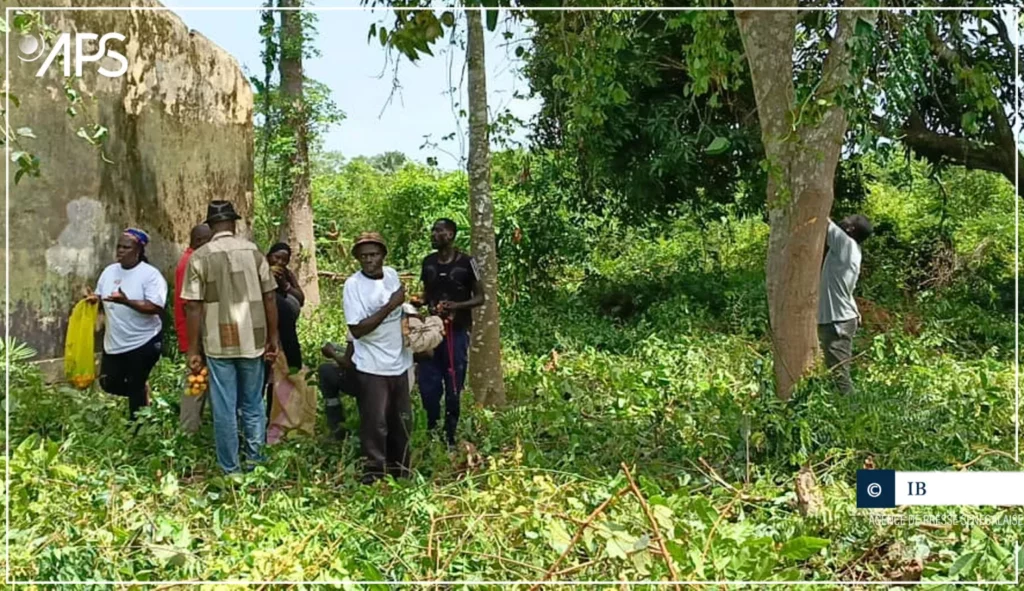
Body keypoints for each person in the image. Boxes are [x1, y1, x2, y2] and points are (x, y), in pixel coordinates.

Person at [181, 200, 279, 474]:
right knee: (252, 404)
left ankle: (230, 468)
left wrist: (193, 349)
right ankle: (256, 462)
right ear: (234, 223)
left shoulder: (200, 256)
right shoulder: (255, 253)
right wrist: (273, 338)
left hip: (217, 343)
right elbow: (270, 297)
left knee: (224, 407)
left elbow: (192, 306)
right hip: (253, 340)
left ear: (211, 226)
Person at [343, 232, 413, 484]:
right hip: (372, 365)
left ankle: (402, 472)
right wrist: (390, 305)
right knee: (375, 424)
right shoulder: (353, 285)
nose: (368, 260)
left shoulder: (392, 275)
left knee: (402, 421)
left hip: (399, 362)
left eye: (373, 255)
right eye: (363, 257)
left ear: (383, 255)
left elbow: (402, 309)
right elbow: (357, 329)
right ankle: (374, 475)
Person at [413, 218, 483, 447]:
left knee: (454, 383)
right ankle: (432, 429)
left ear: (451, 235)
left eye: (439, 230)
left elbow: (480, 297)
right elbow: (427, 293)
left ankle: (450, 436)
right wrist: (419, 301)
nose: (433, 234)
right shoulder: (428, 262)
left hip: (457, 332)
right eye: (433, 230)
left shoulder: (467, 262)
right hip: (431, 332)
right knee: (428, 383)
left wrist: (457, 306)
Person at [88, 228, 168, 424]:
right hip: (115, 341)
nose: (120, 251)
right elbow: (102, 296)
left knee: (134, 386)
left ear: (138, 251)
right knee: (108, 383)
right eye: (119, 246)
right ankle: (143, 393)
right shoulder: (109, 272)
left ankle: (139, 428)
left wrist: (127, 301)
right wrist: (93, 299)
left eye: (126, 247)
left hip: (143, 341)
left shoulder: (150, 276)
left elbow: (155, 307)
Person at [818, 215, 873, 395]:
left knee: (840, 375)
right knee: (836, 371)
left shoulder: (845, 244)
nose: (845, 218)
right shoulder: (852, 249)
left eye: (850, 219)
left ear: (850, 230)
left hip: (837, 321)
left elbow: (820, 216)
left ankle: (851, 414)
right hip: (841, 317)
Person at [175, 223, 212, 434]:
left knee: (198, 384)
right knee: (195, 385)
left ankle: (193, 428)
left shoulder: (192, 260)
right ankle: (188, 431)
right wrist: (193, 345)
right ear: (200, 242)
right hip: (195, 337)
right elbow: (190, 305)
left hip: (195, 336)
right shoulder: (192, 263)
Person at [264, 242, 305, 418]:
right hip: (268, 335)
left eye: (285, 260)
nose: (280, 262)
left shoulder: (287, 275)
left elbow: (300, 297)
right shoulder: (261, 271)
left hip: (283, 335)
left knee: (278, 378)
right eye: (277, 257)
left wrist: (285, 285)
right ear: (268, 256)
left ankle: (274, 415)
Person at [317, 334, 358, 441]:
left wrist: (332, 353)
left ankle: (337, 429)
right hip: (398, 378)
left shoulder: (358, 323)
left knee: (325, 370)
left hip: (367, 381)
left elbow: (347, 363)